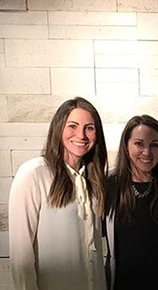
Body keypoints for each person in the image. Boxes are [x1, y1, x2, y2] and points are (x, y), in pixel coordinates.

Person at [9, 97, 108, 290]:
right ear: (58, 128)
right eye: (73, 126)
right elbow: (21, 256)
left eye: (89, 128)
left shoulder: (94, 181)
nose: (81, 135)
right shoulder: (34, 174)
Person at [104, 115, 158, 290]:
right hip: (126, 280)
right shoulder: (110, 184)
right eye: (139, 144)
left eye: (154, 145)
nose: (147, 152)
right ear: (126, 145)